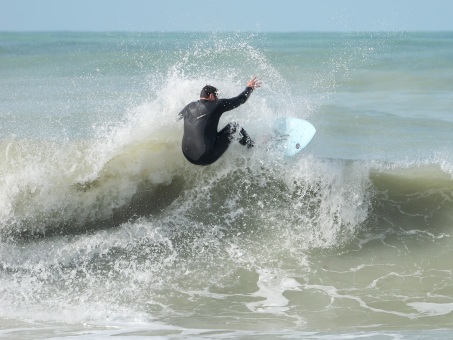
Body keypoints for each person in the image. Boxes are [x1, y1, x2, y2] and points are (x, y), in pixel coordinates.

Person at [178, 76, 261, 166]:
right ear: (211, 96)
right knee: (234, 127)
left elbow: (177, 118)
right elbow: (240, 99)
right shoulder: (217, 104)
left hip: (188, 155)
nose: (217, 99)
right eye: (216, 96)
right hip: (205, 157)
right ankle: (252, 148)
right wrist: (249, 87)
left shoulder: (188, 107)